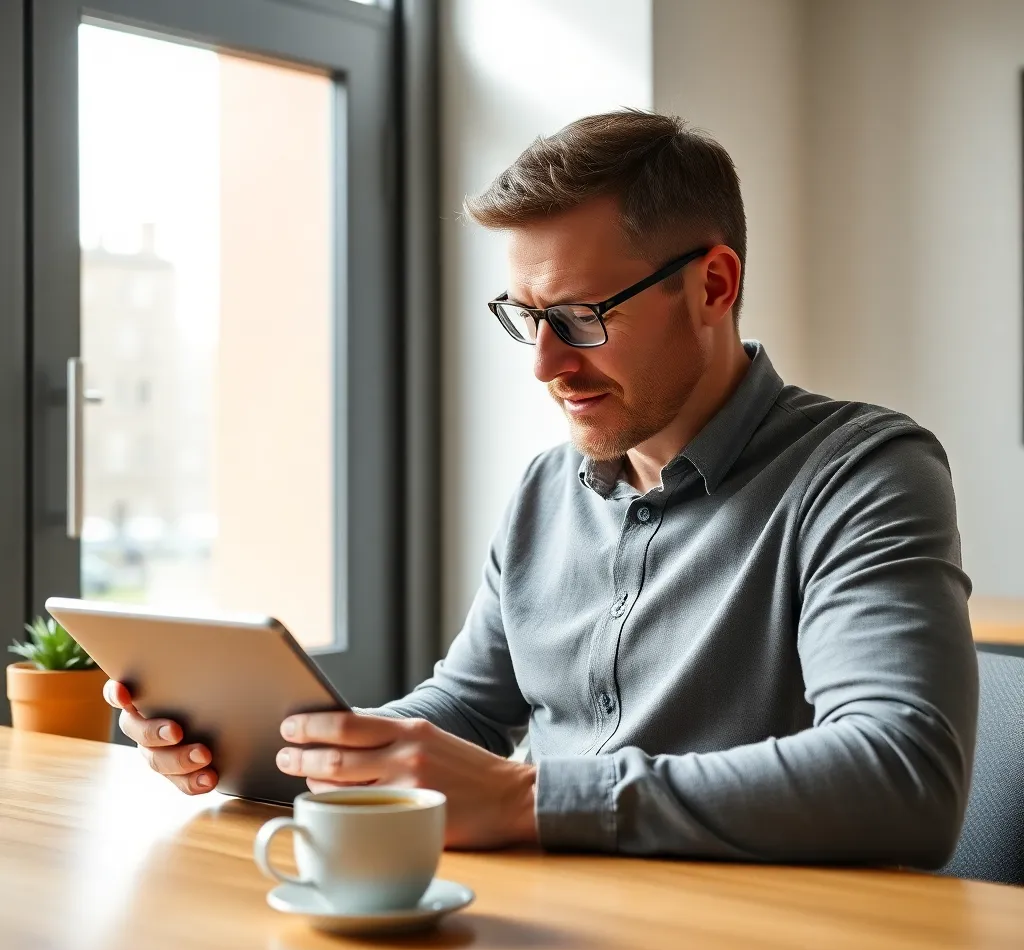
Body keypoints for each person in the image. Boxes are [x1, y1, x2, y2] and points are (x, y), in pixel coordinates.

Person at [105, 111, 978, 865]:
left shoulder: (864, 472)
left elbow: (902, 776)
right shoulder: (546, 488)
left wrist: (526, 800)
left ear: (713, 285)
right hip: (545, 933)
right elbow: (466, 710)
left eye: (580, 317)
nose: (544, 364)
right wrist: (282, 748)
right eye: (526, 318)